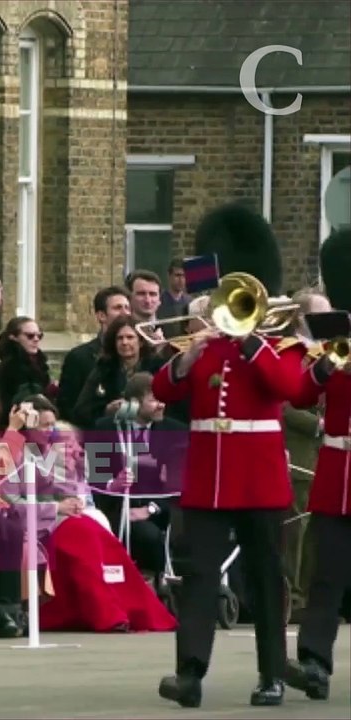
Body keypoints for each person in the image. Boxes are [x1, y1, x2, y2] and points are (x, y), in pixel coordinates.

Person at [152, 203, 305, 708]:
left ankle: (271, 675)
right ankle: (190, 673)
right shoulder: (204, 346)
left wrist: (253, 343)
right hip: (207, 479)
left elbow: (291, 387)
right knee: (198, 578)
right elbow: (163, 389)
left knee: (265, 579)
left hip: (258, 479)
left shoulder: (271, 345)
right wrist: (185, 359)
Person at [284, 227, 351, 702]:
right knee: (324, 573)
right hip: (338, 468)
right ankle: (313, 661)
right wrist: (328, 363)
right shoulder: (336, 336)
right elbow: (303, 393)